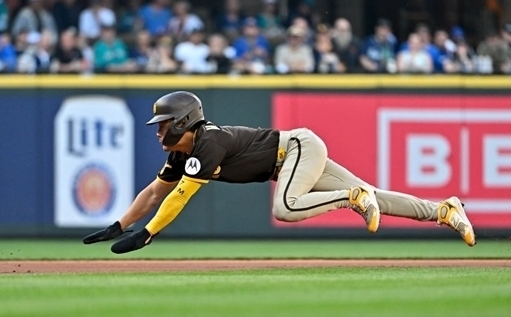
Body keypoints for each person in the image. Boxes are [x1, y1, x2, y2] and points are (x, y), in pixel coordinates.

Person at [82, 91, 476, 254]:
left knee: (286, 208)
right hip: (295, 155)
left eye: (164, 124)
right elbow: (155, 193)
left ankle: (351, 199)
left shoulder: (207, 143)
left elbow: (179, 197)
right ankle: (444, 210)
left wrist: (149, 234)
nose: (160, 132)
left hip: (296, 149)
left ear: (185, 121)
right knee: (378, 196)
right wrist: (120, 225)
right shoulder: (182, 155)